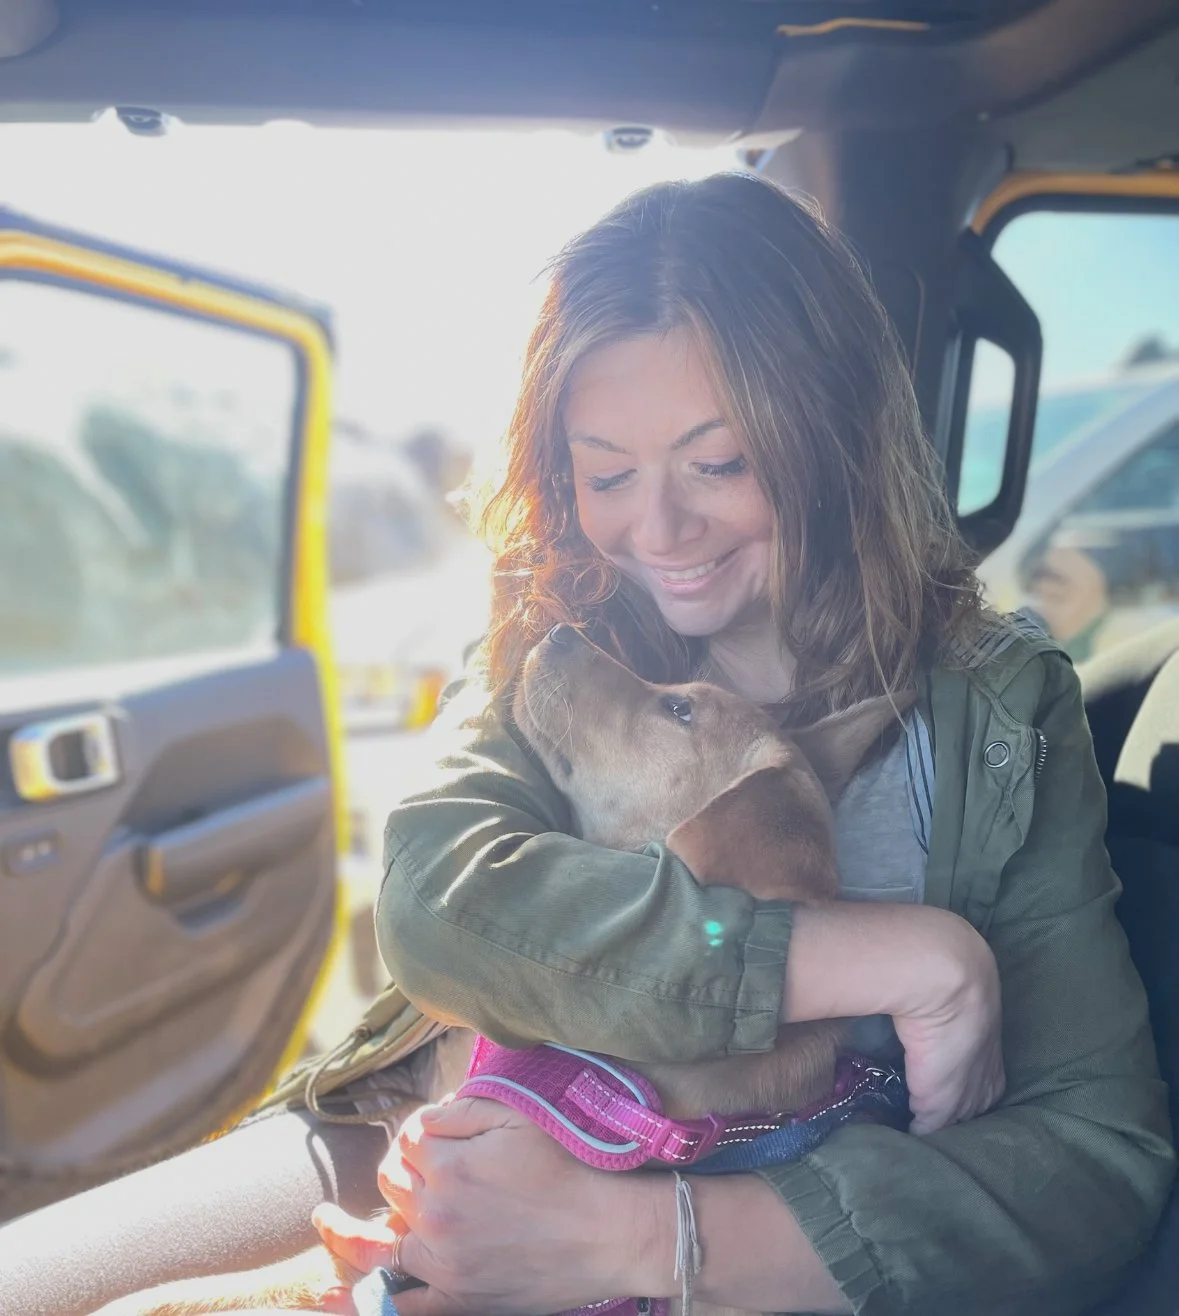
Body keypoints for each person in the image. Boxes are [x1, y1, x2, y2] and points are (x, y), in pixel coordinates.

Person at [0, 172, 1170, 1316]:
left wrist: (648, 1236)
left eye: (719, 464)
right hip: (461, 1138)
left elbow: (1095, 1164)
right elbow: (439, 904)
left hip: (786, 1238)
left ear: (832, 438)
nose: (655, 530)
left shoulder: (996, 712)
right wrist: (890, 956)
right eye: (605, 472)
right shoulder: (560, 636)